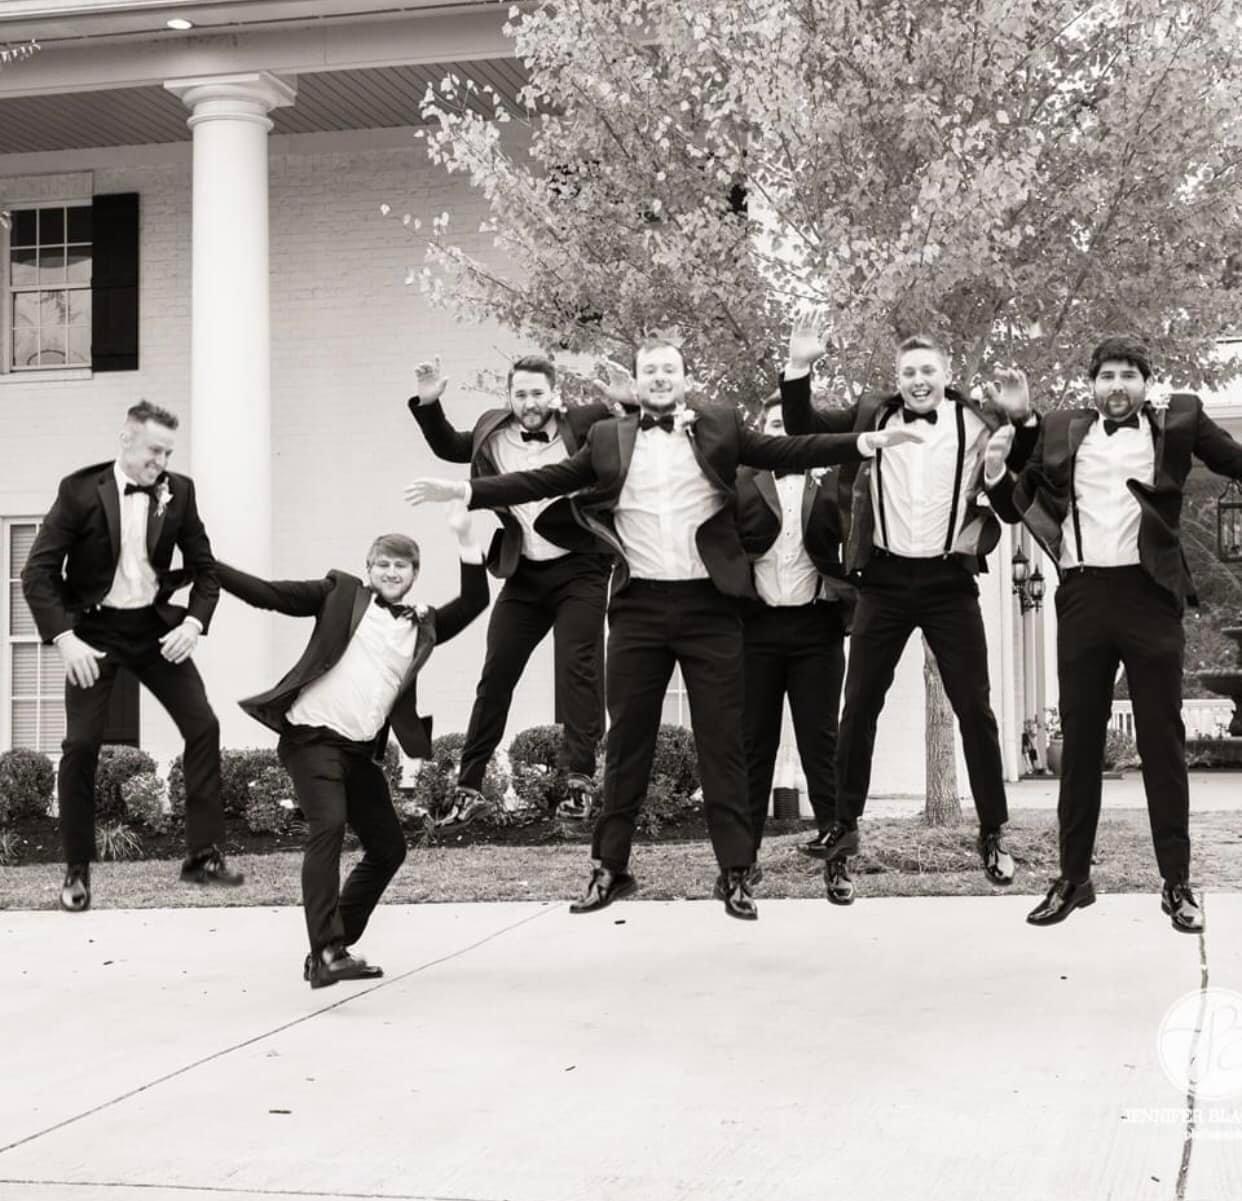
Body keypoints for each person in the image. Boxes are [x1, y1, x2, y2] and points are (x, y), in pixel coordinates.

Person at [405, 335, 923, 921]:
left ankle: (735, 872)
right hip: (639, 610)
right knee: (628, 743)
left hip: (709, 609)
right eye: (649, 369)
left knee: (723, 745)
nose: (658, 377)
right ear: (637, 380)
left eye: (668, 369)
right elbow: (544, 480)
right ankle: (610, 869)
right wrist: (468, 490)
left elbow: (787, 449)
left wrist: (862, 441)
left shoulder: (719, 426)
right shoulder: (608, 437)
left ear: (684, 379)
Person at [985, 335, 1242, 933]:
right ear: (1092, 385)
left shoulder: (1181, 420)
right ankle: (1073, 879)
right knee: (1078, 744)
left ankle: (1177, 883)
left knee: (1161, 742)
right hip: (1082, 596)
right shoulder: (1060, 429)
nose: (1118, 385)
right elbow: (1015, 505)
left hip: (1150, 595)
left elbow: (1235, 460)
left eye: (1129, 374)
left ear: (1147, 383)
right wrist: (1016, 430)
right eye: (1107, 375)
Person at [780, 316, 1039, 888]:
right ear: (896, 378)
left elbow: (1021, 482)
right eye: (908, 372)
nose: (918, 380)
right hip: (885, 580)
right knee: (859, 706)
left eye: (928, 370)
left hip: (949, 581)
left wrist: (1022, 419)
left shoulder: (978, 422)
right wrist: (798, 369)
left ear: (947, 374)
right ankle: (844, 827)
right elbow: (802, 431)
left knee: (975, 708)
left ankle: (993, 830)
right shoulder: (871, 415)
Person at [215, 501, 488, 987]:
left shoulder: (421, 624)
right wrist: (207, 566)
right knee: (329, 826)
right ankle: (327, 952)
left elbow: (474, 601)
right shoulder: (339, 594)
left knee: (388, 848)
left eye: (401, 565)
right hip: (311, 739)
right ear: (368, 568)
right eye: (382, 563)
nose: (391, 572)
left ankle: (332, 946)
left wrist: (466, 537)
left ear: (415, 574)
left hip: (359, 752)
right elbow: (269, 594)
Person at [21, 400, 242, 913]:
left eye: (168, 453)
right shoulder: (79, 491)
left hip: (154, 629)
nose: (160, 463)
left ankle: (202, 857)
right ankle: (77, 871)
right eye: (153, 451)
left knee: (204, 726)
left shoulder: (180, 491)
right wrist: (64, 638)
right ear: (126, 439)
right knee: (81, 745)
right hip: (94, 632)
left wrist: (193, 623)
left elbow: (206, 571)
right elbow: (38, 574)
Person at [407, 355, 614, 824]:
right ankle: (468, 787)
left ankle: (579, 782)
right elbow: (450, 446)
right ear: (509, 397)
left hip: (581, 566)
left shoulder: (585, 424)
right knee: (496, 674)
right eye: (520, 394)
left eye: (537, 393)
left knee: (578, 666)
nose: (529, 403)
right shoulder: (492, 431)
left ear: (554, 394)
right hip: (524, 572)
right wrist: (429, 403)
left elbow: (629, 430)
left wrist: (626, 399)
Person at [736, 393, 855, 905]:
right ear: (759, 432)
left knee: (822, 746)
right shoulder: (740, 480)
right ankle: (742, 864)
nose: (782, 433)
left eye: (791, 424)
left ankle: (838, 861)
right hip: (754, 631)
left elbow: (859, 536)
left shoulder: (834, 482)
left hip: (816, 629)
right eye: (773, 425)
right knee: (751, 748)